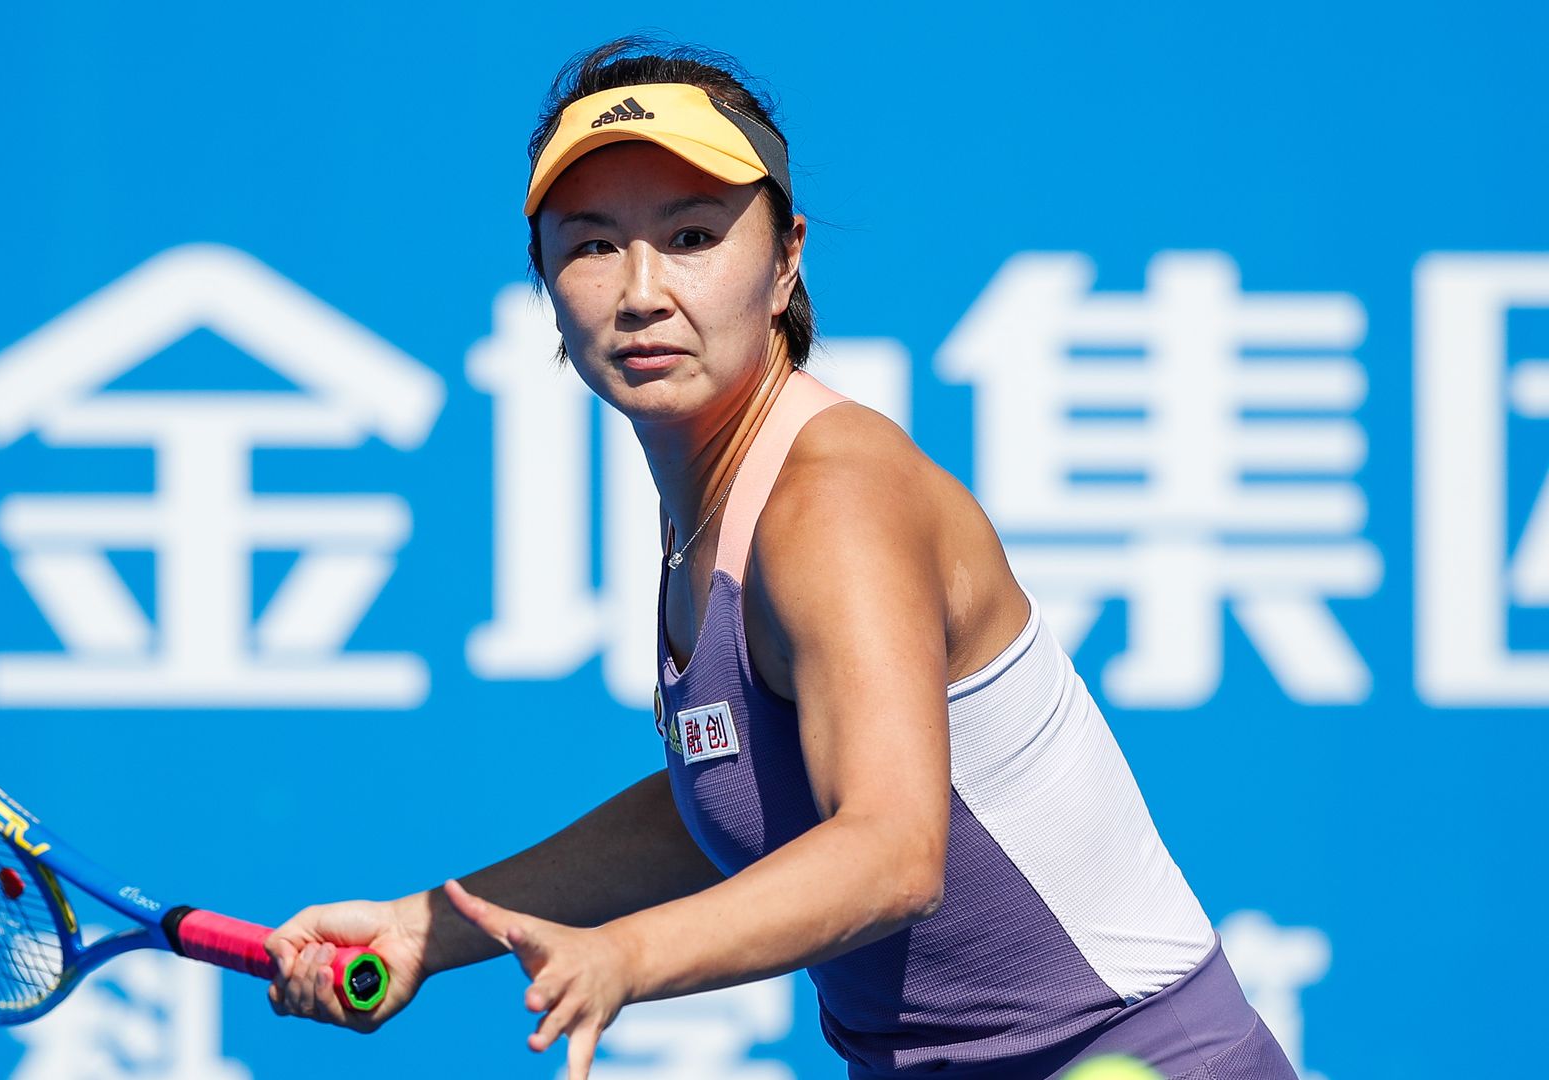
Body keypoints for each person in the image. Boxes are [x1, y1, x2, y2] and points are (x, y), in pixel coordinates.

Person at [266, 38, 1298, 1080]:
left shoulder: (830, 497)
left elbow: (892, 853)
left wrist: (625, 956)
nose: (641, 290)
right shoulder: (707, 499)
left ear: (786, 259)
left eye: (692, 235)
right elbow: (730, 801)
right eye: (591, 246)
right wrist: (426, 928)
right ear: (542, 276)